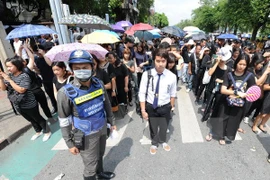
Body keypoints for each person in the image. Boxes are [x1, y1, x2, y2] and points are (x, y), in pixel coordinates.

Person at [57, 50, 116, 180]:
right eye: (77, 68)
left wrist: (112, 122)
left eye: (85, 67)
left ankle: (100, 173)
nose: (81, 70)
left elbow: (106, 104)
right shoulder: (65, 93)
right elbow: (64, 121)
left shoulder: (98, 84)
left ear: (92, 67)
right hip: (85, 135)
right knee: (90, 164)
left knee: (100, 154)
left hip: (101, 128)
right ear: (71, 69)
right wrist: (70, 144)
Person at [0, 56, 51, 141]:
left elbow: (22, 90)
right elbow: (3, 88)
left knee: (37, 118)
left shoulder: (24, 76)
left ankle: (47, 131)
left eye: (10, 66)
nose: (8, 69)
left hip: (29, 102)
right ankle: (38, 131)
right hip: (17, 103)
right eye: (7, 66)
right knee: (30, 119)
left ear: (17, 65)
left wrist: (10, 80)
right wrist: (1, 79)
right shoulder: (10, 76)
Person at [139, 48, 177, 155]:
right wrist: (143, 110)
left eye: (163, 61)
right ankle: (154, 143)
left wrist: (171, 107)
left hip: (165, 106)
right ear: (154, 60)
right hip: (151, 106)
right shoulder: (147, 74)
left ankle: (162, 140)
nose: (160, 64)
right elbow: (142, 93)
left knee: (164, 126)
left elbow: (173, 94)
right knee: (153, 126)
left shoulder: (172, 76)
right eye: (158, 61)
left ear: (167, 61)